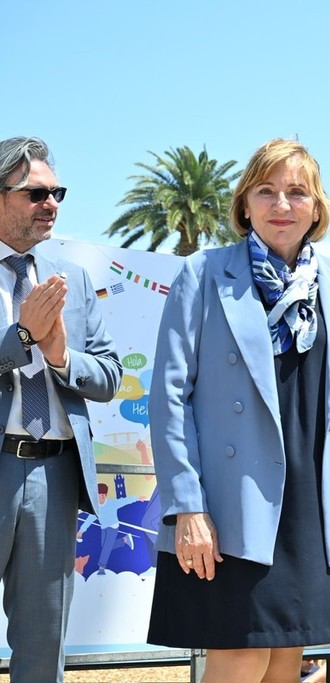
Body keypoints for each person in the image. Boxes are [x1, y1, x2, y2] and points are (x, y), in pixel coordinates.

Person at [147, 139, 330, 683]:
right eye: (266, 191)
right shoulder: (203, 273)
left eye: (297, 192)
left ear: (317, 207)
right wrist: (187, 507)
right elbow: (169, 397)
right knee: (240, 658)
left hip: (311, 507)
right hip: (229, 505)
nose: (281, 205)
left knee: (286, 659)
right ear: (245, 204)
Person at [0, 136, 123, 682]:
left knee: (43, 644)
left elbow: (110, 376)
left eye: (57, 193)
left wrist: (62, 356)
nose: (50, 203)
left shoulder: (71, 279)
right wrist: (22, 335)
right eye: (36, 193)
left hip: (54, 474)